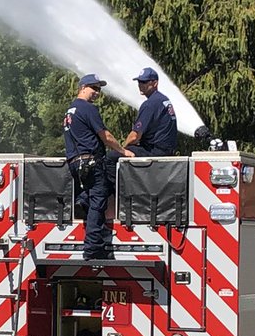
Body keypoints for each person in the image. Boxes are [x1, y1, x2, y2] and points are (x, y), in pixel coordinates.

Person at [63, 74, 132, 260]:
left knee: (94, 194)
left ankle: (82, 201)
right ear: (82, 87)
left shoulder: (70, 111)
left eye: (99, 89)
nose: (97, 92)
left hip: (75, 163)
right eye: (93, 88)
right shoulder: (88, 108)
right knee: (99, 200)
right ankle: (93, 248)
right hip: (91, 161)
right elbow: (105, 136)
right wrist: (123, 151)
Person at [123, 67, 178, 156]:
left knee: (111, 156)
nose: (140, 85)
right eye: (139, 82)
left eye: (144, 82)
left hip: (154, 151)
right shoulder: (163, 99)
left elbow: (135, 136)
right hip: (166, 150)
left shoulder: (150, 104)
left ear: (155, 83)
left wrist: (122, 149)